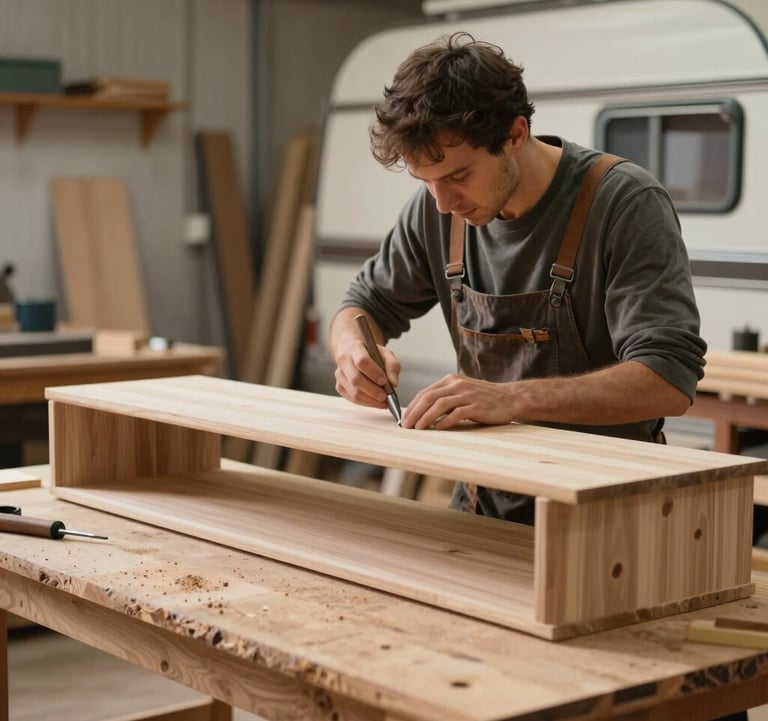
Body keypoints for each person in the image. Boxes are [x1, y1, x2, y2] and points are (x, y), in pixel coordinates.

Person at [329, 31, 707, 525]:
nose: (443, 204)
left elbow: (667, 379)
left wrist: (511, 398)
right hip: (483, 502)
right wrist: (353, 354)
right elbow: (362, 305)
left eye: (458, 176)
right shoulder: (437, 208)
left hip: (607, 516)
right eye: (427, 182)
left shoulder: (624, 203)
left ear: (514, 134)